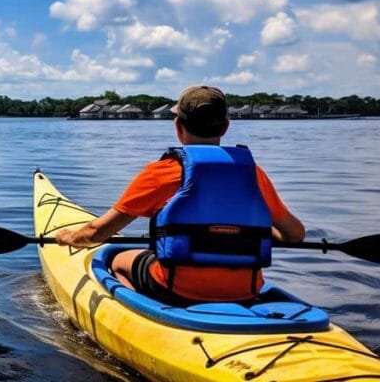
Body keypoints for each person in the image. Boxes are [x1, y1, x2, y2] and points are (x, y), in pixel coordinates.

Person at [55, 85, 306, 305]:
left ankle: (143, 314)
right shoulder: (253, 174)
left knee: (115, 259)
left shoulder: (162, 172)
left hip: (177, 288)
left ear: (178, 126)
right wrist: (250, 231)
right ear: (226, 126)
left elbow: (97, 233)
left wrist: (69, 237)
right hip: (245, 290)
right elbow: (295, 234)